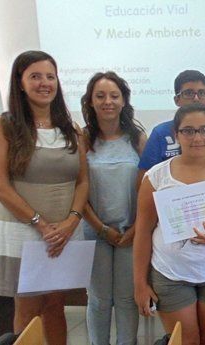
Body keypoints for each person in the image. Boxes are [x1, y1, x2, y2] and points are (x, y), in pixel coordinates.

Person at [132, 103, 205, 345]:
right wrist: (140, 284)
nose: (197, 137)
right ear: (176, 135)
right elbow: (143, 232)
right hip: (171, 273)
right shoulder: (156, 177)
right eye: (188, 130)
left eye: (204, 130)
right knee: (185, 341)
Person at [0, 50, 88, 345]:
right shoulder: (7, 125)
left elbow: (83, 181)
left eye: (50, 76)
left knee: (55, 306)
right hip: (25, 232)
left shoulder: (70, 128)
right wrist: (40, 224)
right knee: (28, 307)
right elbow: (0, 185)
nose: (44, 83)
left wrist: (71, 222)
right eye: (35, 76)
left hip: (64, 233)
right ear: (20, 83)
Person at [81, 71, 147, 345]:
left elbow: (148, 189)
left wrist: (135, 229)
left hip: (130, 233)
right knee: (98, 298)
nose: (107, 101)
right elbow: (78, 190)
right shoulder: (81, 138)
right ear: (91, 102)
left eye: (114, 95)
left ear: (123, 101)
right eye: (100, 96)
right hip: (95, 231)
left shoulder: (138, 138)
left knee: (126, 297)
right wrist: (101, 228)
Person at [138, 70, 205, 178]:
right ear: (177, 100)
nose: (196, 98)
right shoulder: (160, 133)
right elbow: (144, 179)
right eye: (188, 93)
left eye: (202, 93)